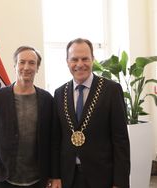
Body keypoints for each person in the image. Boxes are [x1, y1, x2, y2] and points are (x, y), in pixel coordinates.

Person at [51, 38, 130, 188]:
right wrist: (55, 176)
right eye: (74, 59)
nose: (80, 64)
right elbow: (56, 139)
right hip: (68, 177)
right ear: (67, 62)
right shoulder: (60, 93)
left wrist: (120, 182)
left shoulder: (111, 90)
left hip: (102, 177)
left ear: (93, 59)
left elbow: (121, 141)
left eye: (85, 59)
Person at [0, 46, 53, 188]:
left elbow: (53, 140)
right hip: (5, 180)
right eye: (22, 62)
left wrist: (52, 174)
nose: (26, 67)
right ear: (15, 65)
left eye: (32, 63)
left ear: (37, 68)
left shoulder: (47, 99)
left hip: (38, 181)